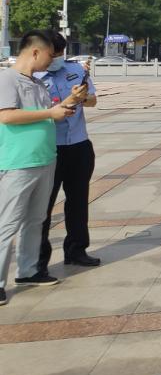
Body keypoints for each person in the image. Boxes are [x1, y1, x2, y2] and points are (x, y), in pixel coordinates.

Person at [0, 31, 78, 306]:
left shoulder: (36, 84)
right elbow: (7, 115)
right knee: (7, 223)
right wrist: (49, 113)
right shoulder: (6, 79)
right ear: (35, 52)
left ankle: (28, 270)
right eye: (50, 55)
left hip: (45, 158)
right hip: (18, 162)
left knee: (35, 220)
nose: (52, 61)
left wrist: (68, 102)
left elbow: (48, 114)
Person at [36, 32, 101, 275]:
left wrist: (82, 97)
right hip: (49, 148)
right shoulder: (32, 77)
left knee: (78, 201)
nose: (58, 59)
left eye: (62, 54)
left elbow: (92, 100)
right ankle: (38, 260)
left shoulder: (75, 69)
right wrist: (67, 101)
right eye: (54, 54)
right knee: (43, 206)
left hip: (79, 145)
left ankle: (76, 249)